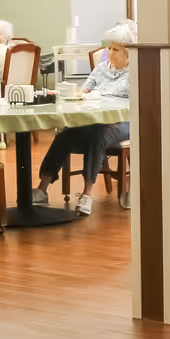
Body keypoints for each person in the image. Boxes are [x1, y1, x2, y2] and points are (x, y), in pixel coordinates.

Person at [37, 23, 133, 216]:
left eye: (116, 49)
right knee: (65, 135)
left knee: (99, 137)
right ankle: (41, 190)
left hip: (124, 122)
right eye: (109, 48)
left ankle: (86, 195)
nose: (110, 53)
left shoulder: (136, 72)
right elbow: (83, 92)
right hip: (95, 120)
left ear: (128, 52)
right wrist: (78, 96)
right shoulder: (100, 69)